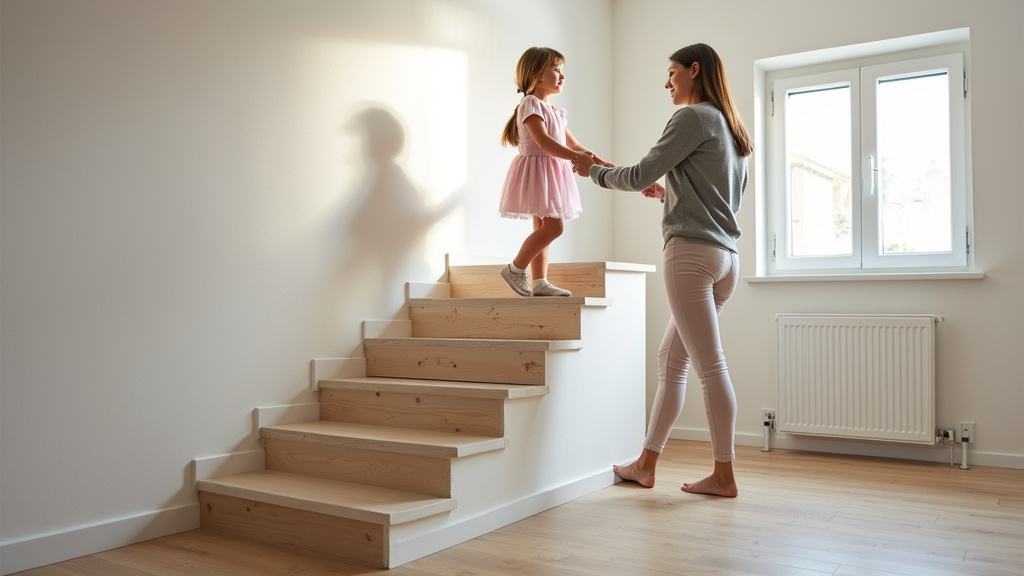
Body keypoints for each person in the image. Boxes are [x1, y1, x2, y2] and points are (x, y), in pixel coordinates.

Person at [574, 43, 753, 497]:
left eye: (672, 72)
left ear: (695, 70)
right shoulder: (732, 129)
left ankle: (724, 476)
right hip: (725, 258)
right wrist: (668, 194)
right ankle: (646, 464)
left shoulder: (693, 117)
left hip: (691, 255)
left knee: (710, 367)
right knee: (672, 361)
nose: (667, 82)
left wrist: (591, 170)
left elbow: (635, 174)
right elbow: (712, 196)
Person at [497, 47, 608, 297]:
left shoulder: (556, 112)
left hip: (549, 173)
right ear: (537, 74)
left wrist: (594, 158)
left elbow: (574, 144)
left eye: (562, 70)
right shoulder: (529, 104)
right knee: (554, 228)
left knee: (542, 228)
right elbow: (544, 141)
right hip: (538, 172)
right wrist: (576, 158)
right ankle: (516, 269)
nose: (562, 75)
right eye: (556, 69)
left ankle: (539, 282)